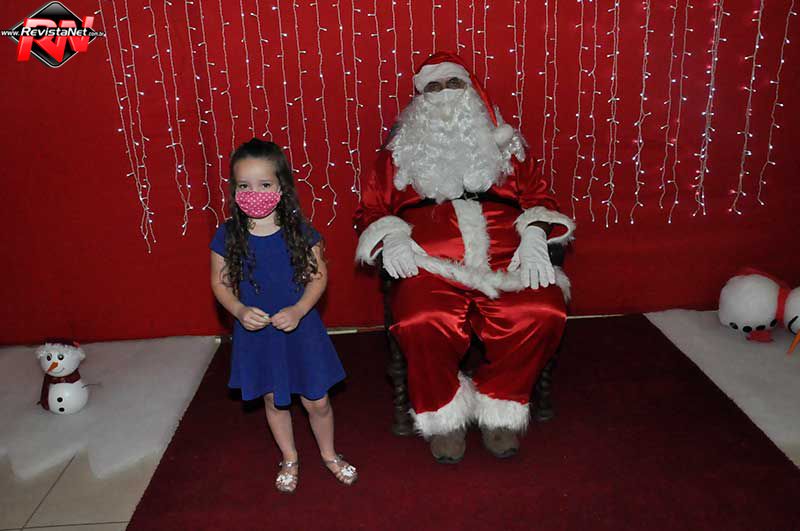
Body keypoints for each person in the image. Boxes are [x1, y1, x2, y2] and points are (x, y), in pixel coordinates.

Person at [354, 52, 575, 463]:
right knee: (420, 319)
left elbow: (540, 197)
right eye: (433, 87)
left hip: (508, 260)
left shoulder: (508, 147)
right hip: (427, 265)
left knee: (542, 310)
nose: (444, 94)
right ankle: (445, 417)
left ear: (472, 91)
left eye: (453, 84)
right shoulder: (398, 153)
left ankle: (500, 403)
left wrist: (534, 233)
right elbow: (371, 210)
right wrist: (392, 235)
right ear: (419, 99)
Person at [211, 138, 357, 493]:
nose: (254, 193)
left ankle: (329, 454)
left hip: (301, 329)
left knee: (317, 399)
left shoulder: (300, 232)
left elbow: (318, 277)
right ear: (234, 189)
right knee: (273, 398)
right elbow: (220, 282)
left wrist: (299, 309)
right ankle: (289, 457)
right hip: (257, 333)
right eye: (244, 185)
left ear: (282, 186)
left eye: (264, 184)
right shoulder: (227, 235)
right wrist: (239, 310)